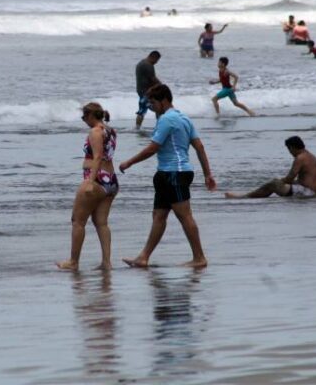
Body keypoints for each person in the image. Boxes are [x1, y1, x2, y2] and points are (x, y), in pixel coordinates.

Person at [119, 84, 215, 268]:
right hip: (169, 173)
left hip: (174, 173)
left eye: (152, 103)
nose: (150, 107)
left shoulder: (166, 120)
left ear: (164, 100)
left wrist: (129, 162)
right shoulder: (184, 118)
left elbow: (153, 148)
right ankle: (143, 257)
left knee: (184, 216)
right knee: (158, 215)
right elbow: (199, 147)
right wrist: (207, 174)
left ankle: (199, 258)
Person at [57, 103, 118, 271]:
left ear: (91, 115)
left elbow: (98, 157)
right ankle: (106, 262)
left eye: (84, 117)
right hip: (111, 180)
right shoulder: (110, 131)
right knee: (101, 223)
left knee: (77, 221)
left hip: (97, 179)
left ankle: (73, 262)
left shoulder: (95, 132)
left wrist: (90, 181)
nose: (83, 121)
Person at [225, 136, 316, 198]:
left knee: (273, 184)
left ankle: (244, 197)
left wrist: (279, 181)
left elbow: (289, 178)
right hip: (314, 191)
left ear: (292, 147)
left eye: (289, 149)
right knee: (275, 183)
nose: (290, 153)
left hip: (308, 192)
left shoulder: (300, 158)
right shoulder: (310, 156)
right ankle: (249, 195)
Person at [134, 50, 161, 129]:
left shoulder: (141, 63)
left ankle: (137, 128)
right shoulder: (148, 65)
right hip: (148, 92)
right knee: (158, 108)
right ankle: (160, 126)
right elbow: (153, 79)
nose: (156, 63)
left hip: (141, 90)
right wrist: (161, 85)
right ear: (153, 57)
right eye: (156, 60)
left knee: (142, 110)